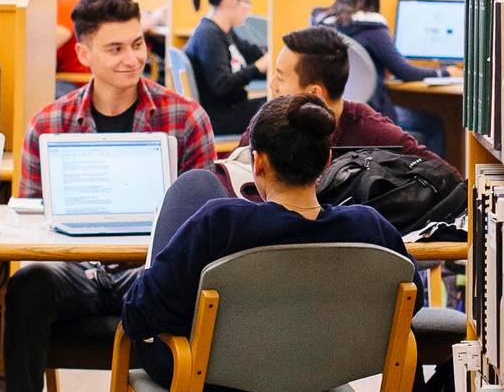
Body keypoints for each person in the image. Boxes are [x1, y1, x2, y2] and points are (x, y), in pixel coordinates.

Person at [0, 0, 217, 392]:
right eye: (115, 48)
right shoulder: (48, 123)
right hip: (73, 271)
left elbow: (203, 225)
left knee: (187, 289)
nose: (133, 59)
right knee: (27, 284)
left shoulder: (185, 118)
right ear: (83, 54)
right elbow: (28, 224)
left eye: (137, 44)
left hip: (148, 272)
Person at [120, 94, 416, 386]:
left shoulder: (221, 223)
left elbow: (140, 313)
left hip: (208, 374)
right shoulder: (371, 228)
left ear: (258, 162)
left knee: (195, 185)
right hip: (321, 373)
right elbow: (412, 302)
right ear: (327, 160)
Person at [261, 26, 445, 167]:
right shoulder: (272, 120)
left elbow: (442, 173)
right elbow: (235, 171)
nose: (272, 85)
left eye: (281, 77)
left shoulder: (372, 131)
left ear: (315, 93)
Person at [313, 0, 453, 155]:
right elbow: (406, 72)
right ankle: (436, 182)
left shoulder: (322, 27)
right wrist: (445, 73)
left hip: (333, 113)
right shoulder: (373, 30)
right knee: (433, 123)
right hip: (370, 114)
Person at [184, 0, 269, 136]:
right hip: (218, 116)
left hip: (230, 107)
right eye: (246, 2)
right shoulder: (209, 35)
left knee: (279, 102)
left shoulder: (224, 31)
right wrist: (258, 68)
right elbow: (221, 85)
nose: (248, 9)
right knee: (279, 109)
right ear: (231, 0)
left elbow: (251, 51)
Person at [49, 0, 89, 85]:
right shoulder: (77, 0)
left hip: (73, 80)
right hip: (75, 78)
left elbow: (50, 43)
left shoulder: (67, 3)